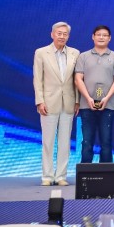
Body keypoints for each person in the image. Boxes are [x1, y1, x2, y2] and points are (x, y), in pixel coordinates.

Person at [33, 22, 80, 186]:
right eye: (59, 33)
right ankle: (47, 176)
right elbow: (37, 79)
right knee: (48, 142)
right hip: (48, 103)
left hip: (68, 102)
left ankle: (61, 176)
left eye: (65, 34)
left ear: (68, 36)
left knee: (65, 142)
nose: (62, 36)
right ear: (52, 34)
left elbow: (77, 80)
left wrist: (77, 100)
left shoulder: (75, 53)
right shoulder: (41, 53)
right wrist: (40, 101)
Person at [75, 25, 114, 163]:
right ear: (93, 37)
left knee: (106, 142)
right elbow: (78, 79)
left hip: (108, 105)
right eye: (98, 34)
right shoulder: (83, 56)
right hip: (86, 105)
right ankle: (85, 173)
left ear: (109, 38)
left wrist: (106, 98)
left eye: (105, 35)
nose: (101, 37)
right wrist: (88, 98)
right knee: (87, 142)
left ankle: (106, 173)